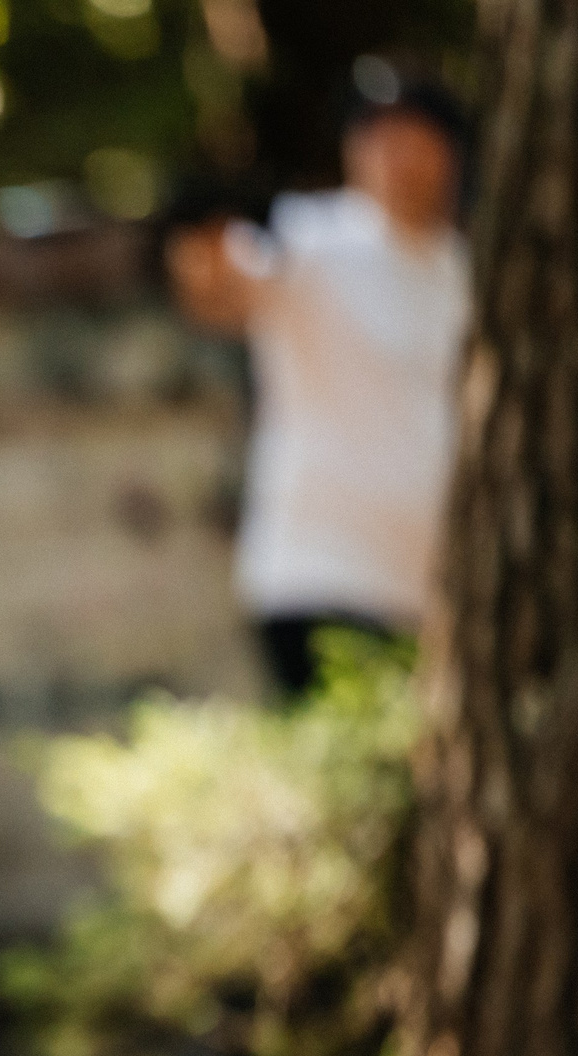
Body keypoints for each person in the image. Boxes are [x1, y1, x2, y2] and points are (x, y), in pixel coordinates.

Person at [165, 61, 469, 696]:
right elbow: (219, 291)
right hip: (322, 579)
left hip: (439, 598)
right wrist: (200, 231)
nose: (391, 156)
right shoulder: (307, 236)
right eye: (373, 137)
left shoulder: (469, 267)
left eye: (408, 136)